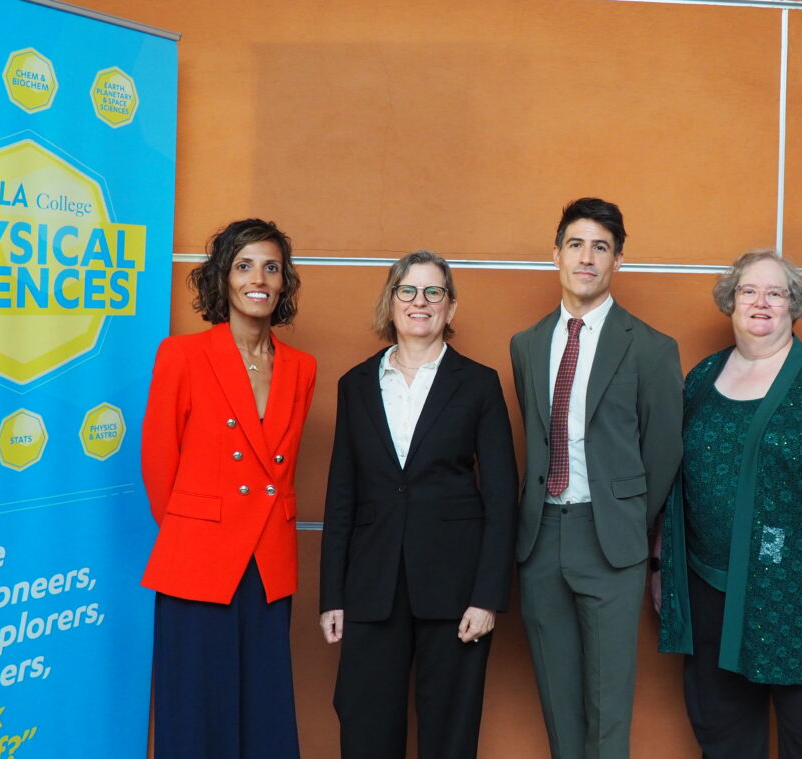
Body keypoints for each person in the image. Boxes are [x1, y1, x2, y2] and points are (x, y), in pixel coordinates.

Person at [658, 250, 802, 759]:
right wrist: (663, 573)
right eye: (748, 291)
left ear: (793, 306)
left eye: (775, 293)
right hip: (710, 595)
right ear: (731, 302)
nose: (761, 302)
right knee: (723, 739)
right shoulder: (701, 377)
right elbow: (676, 481)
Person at [319, 250, 517, 759]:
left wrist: (488, 597)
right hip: (371, 586)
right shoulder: (355, 385)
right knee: (365, 730)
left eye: (434, 292)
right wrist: (332, 596)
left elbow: (501, 499)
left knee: (450, 736)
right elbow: (342, 495)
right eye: (408, 290)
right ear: (391, 302)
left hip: (455, 591)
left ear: (450, 308)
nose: (420, 302)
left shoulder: (478, 383)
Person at [510, 197, 683, 759]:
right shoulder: (528, 344)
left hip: (611, 541)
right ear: (556, 254)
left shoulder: (652, 348)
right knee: (559, 706)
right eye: (576, 244)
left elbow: (662, 451)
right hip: (539, 540)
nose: (587, 258)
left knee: (609, 711)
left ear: (618, 261)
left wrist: (626, 518)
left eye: (601, 248)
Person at [141, 218, 317, 759]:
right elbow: (157, 465)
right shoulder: (183, 355)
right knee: (193, 711)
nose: (257, 278)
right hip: (198, 562)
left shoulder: (301, 367)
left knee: (261, 711)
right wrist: (199, 536)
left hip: (267, 562)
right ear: (223, 280)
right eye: (244, 266)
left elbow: (277, 471)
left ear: (284, 283)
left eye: (271, 267)